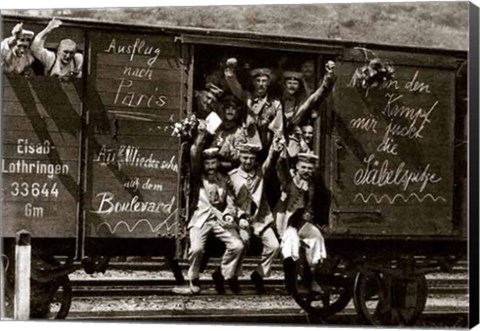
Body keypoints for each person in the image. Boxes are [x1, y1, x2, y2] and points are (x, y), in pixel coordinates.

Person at [173, 126, 244, 295]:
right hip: (200, 218)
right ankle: (193, 278)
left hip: (219, 218)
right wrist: (200, 135)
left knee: (238, 246)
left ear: (217, 163)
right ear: (203, 164)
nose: (211, 166)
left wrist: (228, 213)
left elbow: (230, 201)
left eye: (213, 163)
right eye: (208, 163)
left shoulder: (223, 179)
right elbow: (193, 156)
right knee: (196, 249)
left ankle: (223, 273)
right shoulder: (197, 179)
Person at [228, 137, 284, 294]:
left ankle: (258, 274)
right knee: (243, 242)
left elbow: (270, 161)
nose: (248, 161)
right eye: (245, 158)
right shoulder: (232, 176)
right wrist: (239, 217)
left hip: (260, 218)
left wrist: (275, 148)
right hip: (242, 219)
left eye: (251, 158)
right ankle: (232, 276)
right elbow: (230, 201)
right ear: (240, 157)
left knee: (274, 246)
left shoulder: (261, 172)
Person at [274, 150, 327, 295]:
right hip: (286, 221)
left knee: (316, 237)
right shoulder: (288, 180)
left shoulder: (311, 184)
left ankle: (311, 277)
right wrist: (280, 151)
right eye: (303, 167)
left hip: (302, 221)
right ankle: (290, 284)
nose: (306, 171)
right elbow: (280, 167)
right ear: (297, 166)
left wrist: (311, 215)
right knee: (291, 244)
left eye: (309, 168)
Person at [224, 58, 283, 154]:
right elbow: (234, 86)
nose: (261, 84)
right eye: (258, 81)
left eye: (264, 81)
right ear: (253, 82)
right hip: (247, 144)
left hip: (267, 146)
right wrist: (230, 70)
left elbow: (278, 128)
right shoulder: (247, 97)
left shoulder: (275, 103)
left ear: (268, 83)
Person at [281, 61, 336, 133]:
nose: (292, 86)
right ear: (284, 85)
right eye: (289, 83)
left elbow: (319, 92)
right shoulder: (277, 101)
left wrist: (329, 75)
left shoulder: (302, 102)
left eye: (295, 84)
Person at [212, 94, 248, 173]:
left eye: (233, 108)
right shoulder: (218, 129)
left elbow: (239, 155)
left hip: (232, 169)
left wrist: (224, 145)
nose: (230, 111)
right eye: (227, 108)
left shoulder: (239, 131)